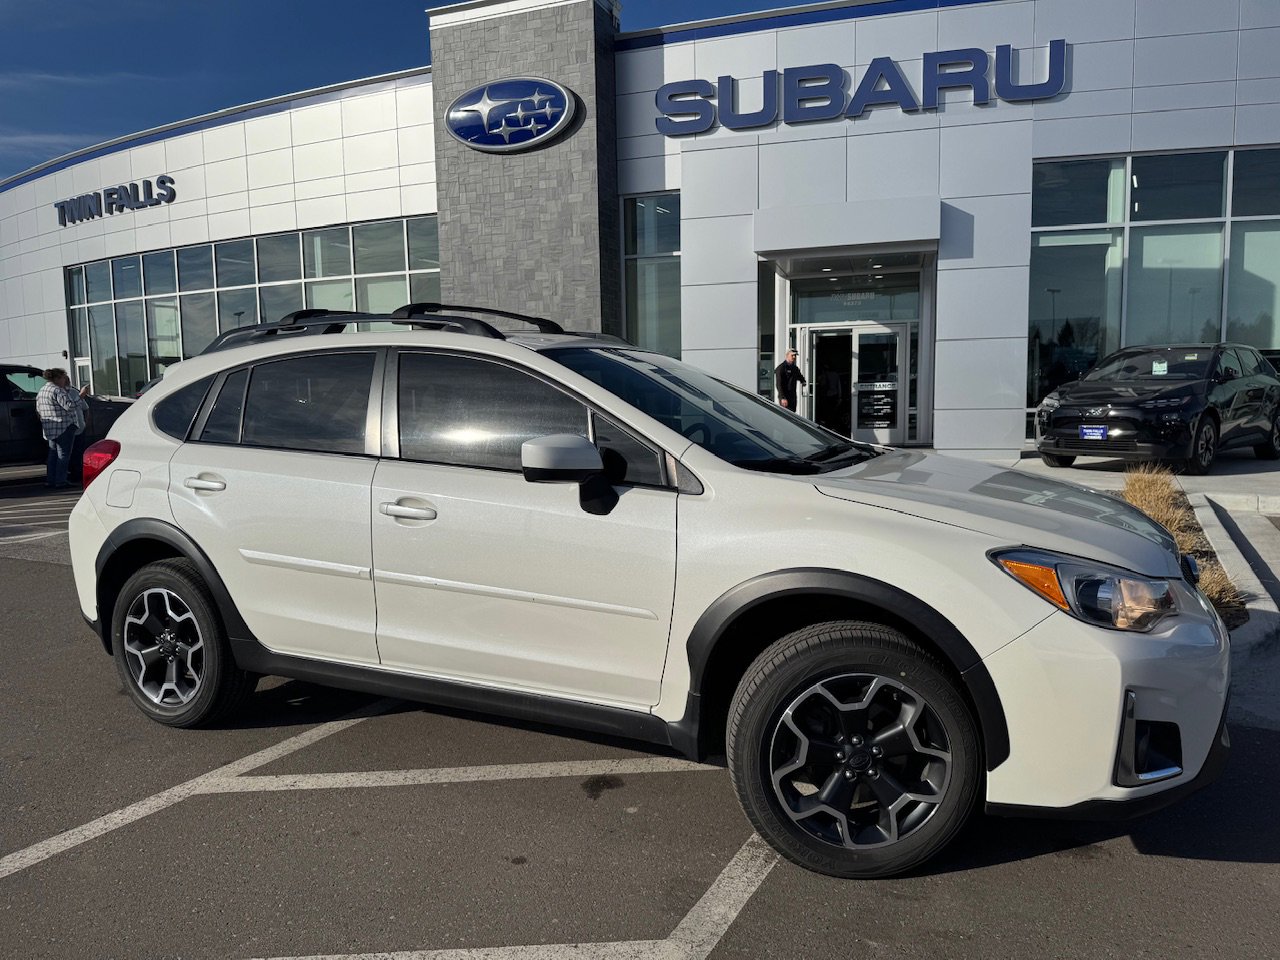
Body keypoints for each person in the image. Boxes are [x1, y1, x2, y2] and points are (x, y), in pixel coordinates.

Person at [36, 368, 89, 489]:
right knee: (63, 455)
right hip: (63, 426)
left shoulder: (42, 390)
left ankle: (50, 480)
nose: (64, 380)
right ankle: (60, 480)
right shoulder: (57, 390)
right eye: (63, 377)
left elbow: (38, 409)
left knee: (53, 454)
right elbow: (70, 406)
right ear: (56, 378)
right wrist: (81, 395)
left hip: (50, 428)